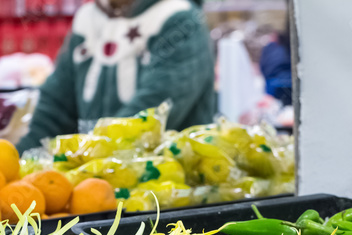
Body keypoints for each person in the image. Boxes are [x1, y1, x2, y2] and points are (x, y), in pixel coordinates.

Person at [17, 0, 216, 153]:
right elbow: (56, 109)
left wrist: (83, 158)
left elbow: (151, 113)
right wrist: (16, 161)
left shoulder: (179, 18)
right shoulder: (89, 18)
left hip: (169, 187)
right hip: (98, 181)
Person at [260, 30, 293, 107]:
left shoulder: (269, 48)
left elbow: (263, 66)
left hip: (273, 83)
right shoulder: (289, 46)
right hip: (289, 82)